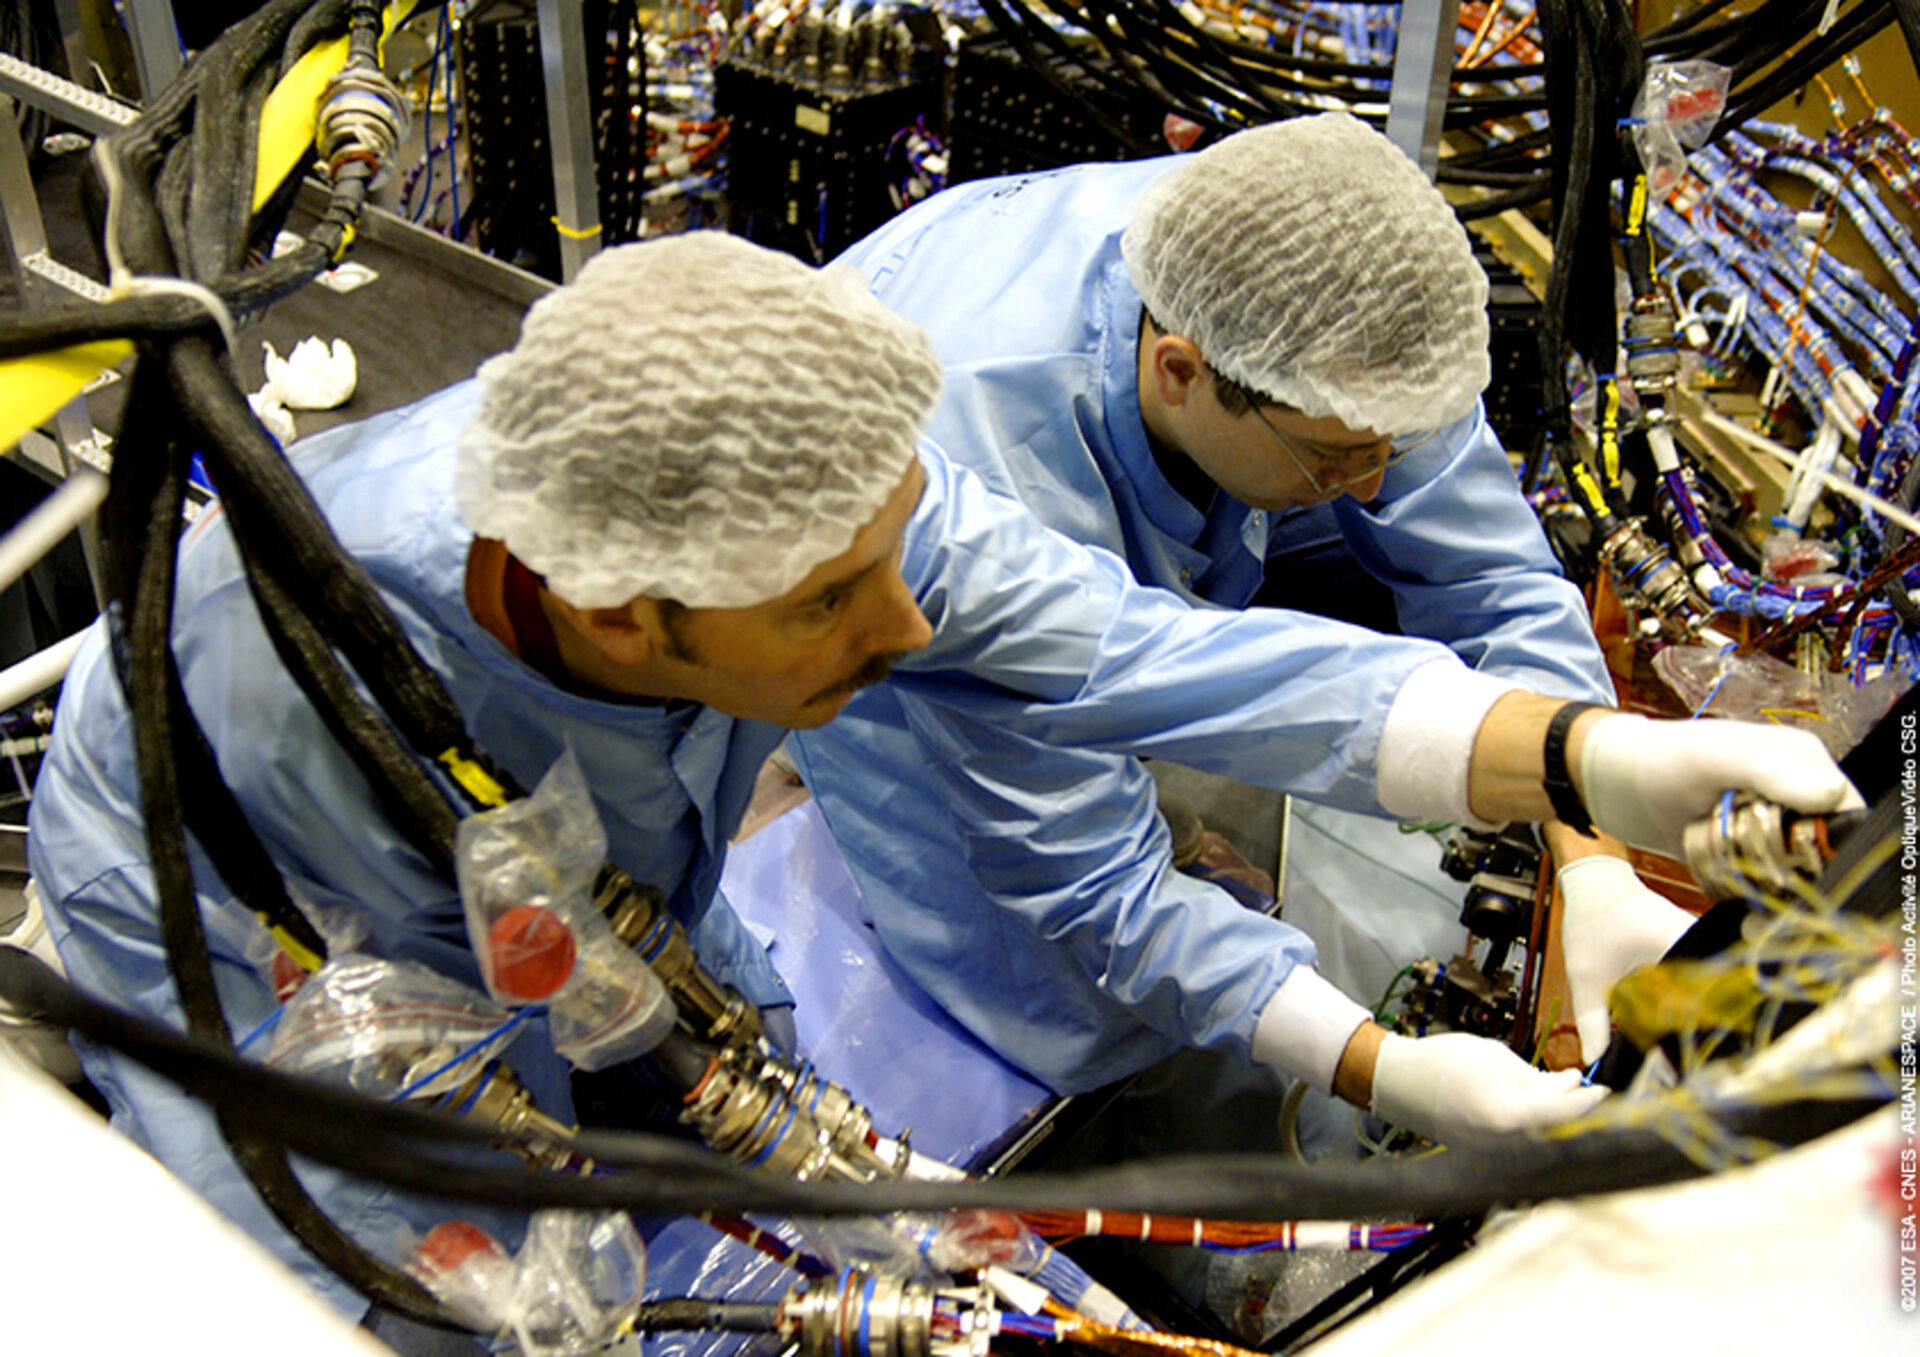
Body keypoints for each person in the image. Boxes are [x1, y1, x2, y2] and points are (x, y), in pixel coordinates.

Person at [26, 233, 1856, 1332]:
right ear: (622, 612)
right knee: (454, 1282)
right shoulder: (324, 698)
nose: (906, 624)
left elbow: (1167, 662)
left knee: (723, 1075)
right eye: (840, 600)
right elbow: (499, 1054)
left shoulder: (801, 516)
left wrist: (1591, 759)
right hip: (269, 936)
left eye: (902, 554)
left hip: (580, 886)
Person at [793, 111, 1698, 1081]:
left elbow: (1492, 579)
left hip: (1111, 402)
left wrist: (1593, 852)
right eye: (1336, 457)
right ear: (1179, 370)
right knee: (1058, 985)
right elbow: (1099, 884)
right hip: (875, 515)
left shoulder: (1316, 294)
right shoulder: (985, 460)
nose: (1371, 486)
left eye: (1388, 445)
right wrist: (1379, 1069)